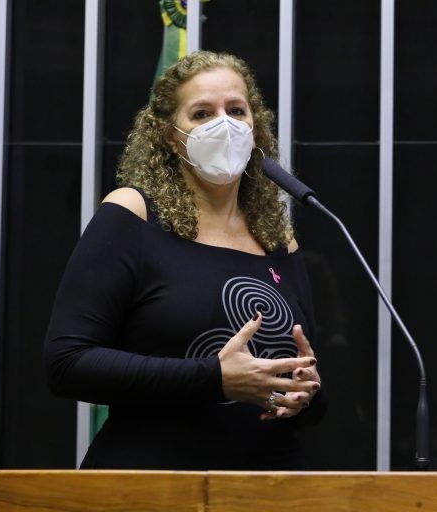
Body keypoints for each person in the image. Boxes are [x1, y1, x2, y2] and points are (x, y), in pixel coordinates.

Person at [44, 51, 326, 470]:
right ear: (169, 134)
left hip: (268, 486)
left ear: (255, 126)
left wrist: (308, 395)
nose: (224, 125)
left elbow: (312, 392)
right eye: (201, 113)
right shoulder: (133, 214)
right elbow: (67, 363)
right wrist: (214, 378)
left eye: (236, 110)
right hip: (150, 483)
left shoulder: (277, 239)